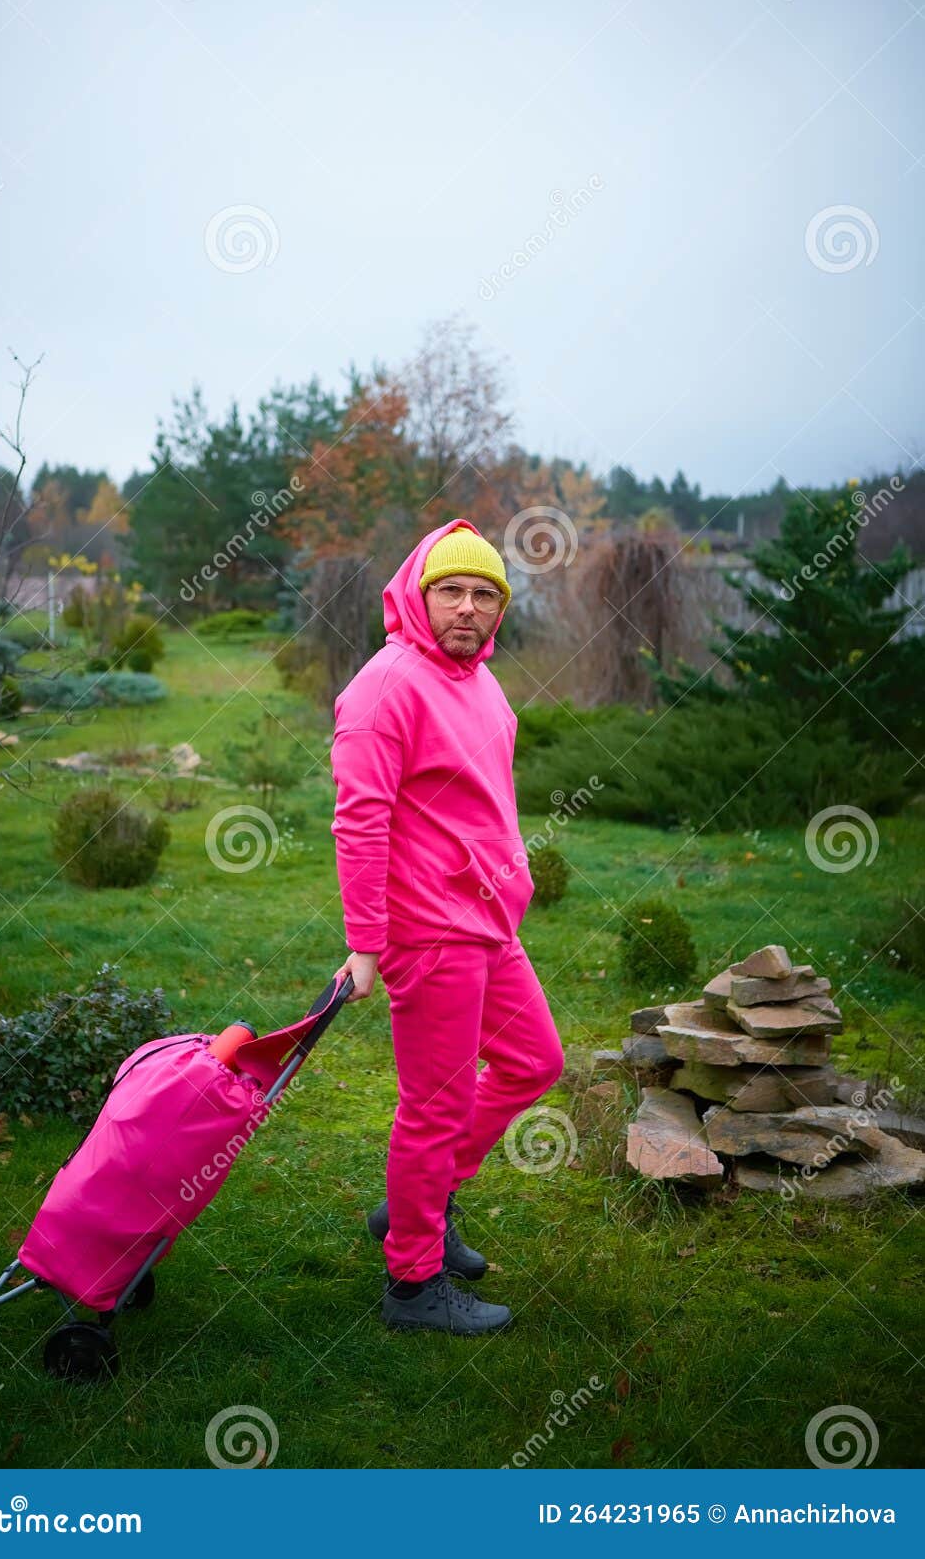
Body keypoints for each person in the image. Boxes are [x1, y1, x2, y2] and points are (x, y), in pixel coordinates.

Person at [331, 520, 564, 1335]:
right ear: (416, 594)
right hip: (429, 931)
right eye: (450, 590)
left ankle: (415, 1205)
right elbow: (358, 824)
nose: (467, 607)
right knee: (431, 1105)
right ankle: (413, 1285)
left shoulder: (481, 683)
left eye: (483, 594)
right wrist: (366, 943)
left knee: (534, 1062)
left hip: (489, 923)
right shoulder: (384, 687)